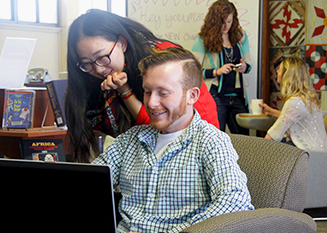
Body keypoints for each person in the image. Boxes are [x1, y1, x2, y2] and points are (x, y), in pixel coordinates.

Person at [92, 47, 254, 233]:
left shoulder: (211, 142)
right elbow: (91, 183)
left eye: (163, 93)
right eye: (147, 91)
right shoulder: (130, 140)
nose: (151, 103)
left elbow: (236, 202)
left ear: (192, 95)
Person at [66, 9, 219, 162]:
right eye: (87, 63)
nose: (98, 69)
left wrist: (124, 90)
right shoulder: (91, 74)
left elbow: (160, 126)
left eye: (102, 57)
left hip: (191, 137)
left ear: (121, 43)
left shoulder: (159, 62)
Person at [192, 0, 251, 135]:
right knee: (216, 137)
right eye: (222, 22)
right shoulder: (203, 39)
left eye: (229, 22)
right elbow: (193, 71)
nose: (226, 26)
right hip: (215, 96)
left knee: (245, 138)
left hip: (237, 96)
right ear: (215, 21)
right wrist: (216, 72)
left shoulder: (240, 36)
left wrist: (244, 67)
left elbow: (249, 66)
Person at [262, 57, 327, 151]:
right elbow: (292, 118)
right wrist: (271, 111)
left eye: (279, 70)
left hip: (311, 155)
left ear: (287, 75)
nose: (277, 71)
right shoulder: (306, 98)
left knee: (272, 149)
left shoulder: (294, 102)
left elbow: (274, 135)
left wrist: (256, 153)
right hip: (321, 152)